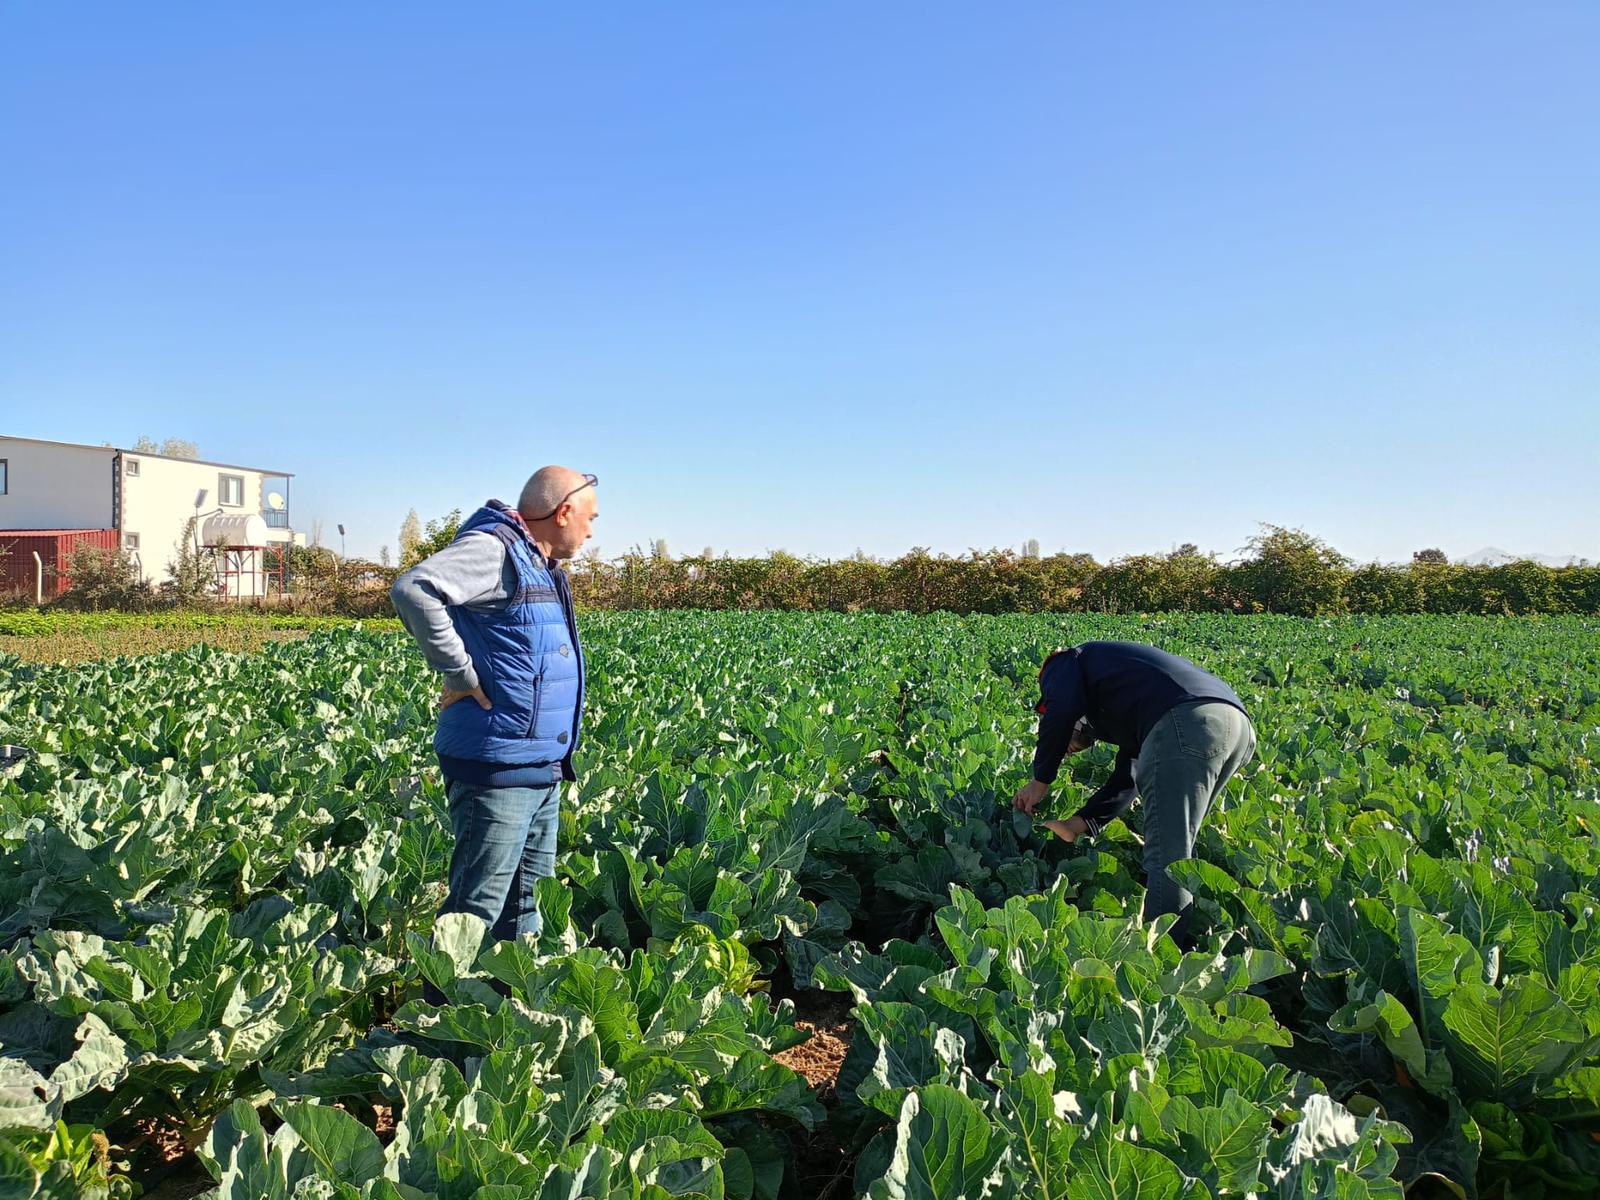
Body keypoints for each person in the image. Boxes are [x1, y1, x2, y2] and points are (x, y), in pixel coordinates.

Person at [390, 466, 597, 948]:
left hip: (538, 767)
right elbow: (414, 589)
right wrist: (459, 673)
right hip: (496, 767)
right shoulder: (495, 550)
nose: (591, 531)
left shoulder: (537, 563)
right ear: (563, 512)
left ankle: (508, 996)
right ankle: (441, 998)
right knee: (474, 914)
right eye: (590, 519)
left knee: (527, 907)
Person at [1012, 640, 1255, 946]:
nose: (1068, 751)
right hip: (1236, 726)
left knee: (1168, 858)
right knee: (1180, 845)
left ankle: (1163, 959)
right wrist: (1078, 824)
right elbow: (1130, 773)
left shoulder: (1062, 663)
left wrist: (1040, 781)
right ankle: (1180, 939)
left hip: (1188, 720)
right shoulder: (1131, 698)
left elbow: (1060, 709)